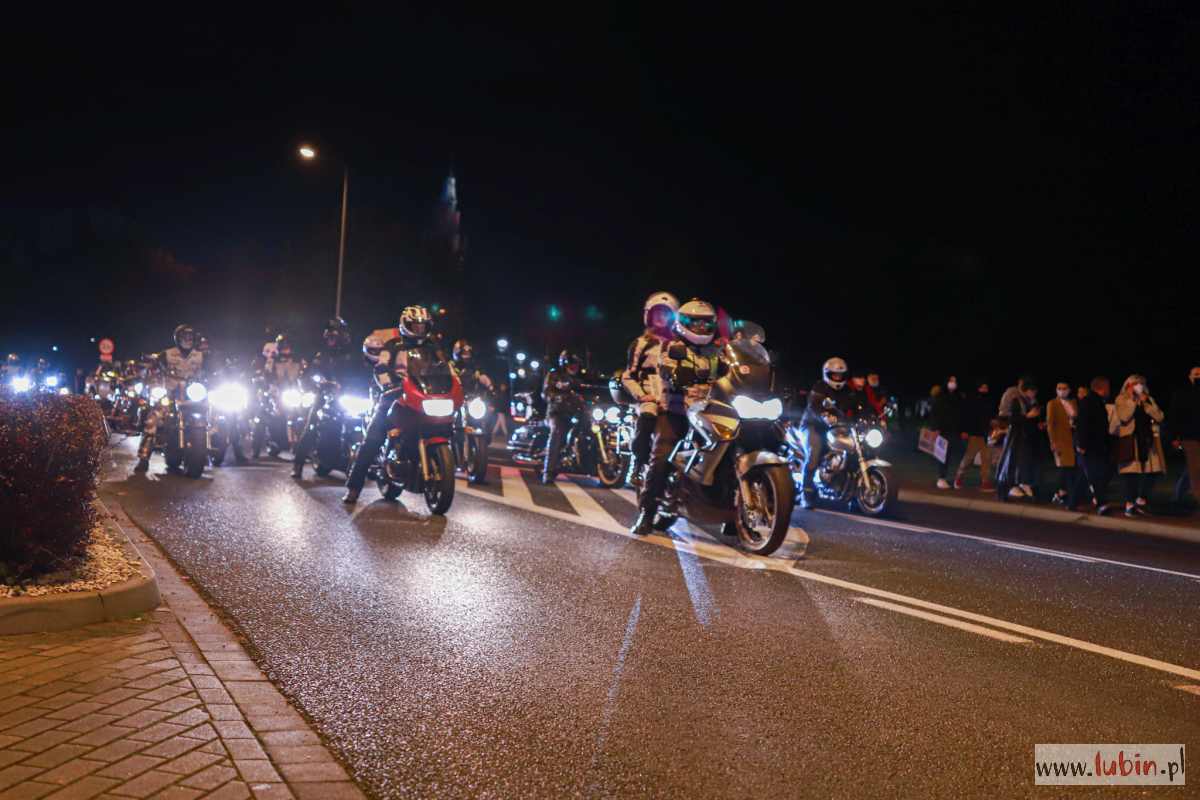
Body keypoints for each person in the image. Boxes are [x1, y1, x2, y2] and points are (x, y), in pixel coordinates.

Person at [632, 298, 723, 535]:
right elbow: (665, 367)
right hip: (677, 412)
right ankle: (646, 512)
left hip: (709, 413)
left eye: (706, 323)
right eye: (695, 322)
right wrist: (674, 372)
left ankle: (732, 513)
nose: (701, 327)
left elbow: (732, 369)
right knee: (662, 458)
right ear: (683, 323)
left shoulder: (719, 350)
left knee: (729, 450)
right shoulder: (669, 347)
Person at [343, 306, 436, 503]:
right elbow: (381, 366)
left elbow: (446, 367)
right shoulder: (393, 345)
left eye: (422, 326)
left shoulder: (432, 347)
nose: (419, 330)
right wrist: (388, 385)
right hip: (394, 396)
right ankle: (353, 488)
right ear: (405, 325)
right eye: (415, 326)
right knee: (373, 439)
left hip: (422, 396)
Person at [620, 291, 679, 486]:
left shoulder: (679, 345)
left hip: (675, 396)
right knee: (648, 415)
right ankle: (638, 465)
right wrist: (641, 395)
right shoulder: (640, 343)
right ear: (649, 315)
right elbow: (628, 375)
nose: (661, 317)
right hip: (649, 394)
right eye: (657, 312)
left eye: (666, 313)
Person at [293, 318, 362, 479]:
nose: (331, 339)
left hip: (347, 395)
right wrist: (321, 382)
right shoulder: (322, 355)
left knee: (364, 420)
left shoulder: (353, 355)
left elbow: (362, 373)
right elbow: (312, 373)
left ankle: (370, 463)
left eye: (334, 336)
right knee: (311, 426)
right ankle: (298, 464)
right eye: (329, 336)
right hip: (325, 395)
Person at [135, 324, 206, 472]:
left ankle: (221, 443)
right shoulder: (167, 354)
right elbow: (153, 368)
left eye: (190, 337)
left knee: (221, 410)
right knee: (153, 419)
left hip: (193, 395)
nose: (188, 339)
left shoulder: (201, 355)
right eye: (185, 336)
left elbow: (216, 369)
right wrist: (153, 378)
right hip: (170, 394)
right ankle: (144, 457)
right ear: (177, 338)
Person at [794, 356, 857, 509]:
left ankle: (849, 491)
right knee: (814, 453)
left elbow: (856, 407)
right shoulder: (820, 387)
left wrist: (868, 419)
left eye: (840, 375)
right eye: (834, 375)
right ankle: (806, 495)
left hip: (835, 428)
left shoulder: (848, 391)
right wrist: (823, 416)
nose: (838, 378)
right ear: (827, 374)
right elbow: (813, 405)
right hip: (812, 425)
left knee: (852, 450)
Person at [1114, 374, 1166, 516]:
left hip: (1148, 440)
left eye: (1141, 383)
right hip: (1130, 440)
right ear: (1128, 385)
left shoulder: (1148, 398)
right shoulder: (1121, 399)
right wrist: (1132, 400)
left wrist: (1147, 403)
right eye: (1136, 383)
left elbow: (1160, 416)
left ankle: (1141, 500)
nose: (1139, 386)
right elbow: (1124, 417)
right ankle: (1130, 504)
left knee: (1154, 471)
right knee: (1130, 473)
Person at [541, 349, 586, 484]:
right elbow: (545, 393)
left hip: (575, 413)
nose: (574, 367)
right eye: (572, 364)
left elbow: (588, 391)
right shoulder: (554, 375)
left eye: (576, 365)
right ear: (564, 364)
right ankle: (548, 472)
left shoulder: (579, 379)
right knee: (556, 432)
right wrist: (558, 397)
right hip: (556, 413)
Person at [1074, 376, 1115, 515]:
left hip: (1096, 445)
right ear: (1102, 388)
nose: (1109, 390)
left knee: (1086, 475)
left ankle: (1072, 502)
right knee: (1096, 475)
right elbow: (1083, 424)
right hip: (1091, 445)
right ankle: (1101, 504)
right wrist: (1082, 444)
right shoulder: (1089, 402)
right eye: (1108, 387)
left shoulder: (1096, 401)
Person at [995, 379, 1040, 500]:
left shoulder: (1029, 401)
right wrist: (1027, 416)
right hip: (1015, 437)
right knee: (1009, 464)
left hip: (1023, 437)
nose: (1034, 394)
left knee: (1019, 465)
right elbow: (1012, 419)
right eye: (1033, 392)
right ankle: (1003, 491)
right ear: (1027, 390)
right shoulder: (1016, 400)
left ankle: (1015, 486)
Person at [451, 339, 497, 443]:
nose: (466, 356)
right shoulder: (451, 366)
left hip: (472, 400)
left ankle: (485, 436)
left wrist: (491, 388)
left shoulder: (476, 367)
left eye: (468, 353)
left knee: (485, 416)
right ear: (457, 354)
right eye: (464, 353)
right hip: (456, 400)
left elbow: (484, 378)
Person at [953, 379, 994, 490]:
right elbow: (966, 416)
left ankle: (985, 481)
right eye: (982, 387)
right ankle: (959, 477)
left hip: (986, 435)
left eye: (986, 388)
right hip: (974, 434)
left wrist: (992, 427)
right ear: (978, 388)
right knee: (969, 457)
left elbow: (990, 416)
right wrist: (964, 430)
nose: (984, 390)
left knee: (986, 459)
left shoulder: (989, 401)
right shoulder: (971, 400)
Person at [1168, 366, 1200, 508]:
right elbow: (1175, 416)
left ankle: (1177, 495)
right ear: (1190, 377)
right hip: (1190, 437)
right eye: (1196, 374)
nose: (1198, 377)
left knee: (1192, 468)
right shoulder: (1182, 394)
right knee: (1195, 468)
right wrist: (1174, 436)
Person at [1046, 381, 1079, 507]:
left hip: (1073, 439)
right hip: (1061, 441)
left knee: (1069, 469)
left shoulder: (1073, 402)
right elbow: (1050, 424)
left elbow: (1077, 418)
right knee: (1066, 468)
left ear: (1069, 390)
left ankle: (1060, 493)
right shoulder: (1052, 403)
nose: (1061, 390)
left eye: (1064, 388)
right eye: (1059, 388)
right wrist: (1053, 441)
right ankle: (1068, 498)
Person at [929, 375, 963, 489]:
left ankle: (945, 477)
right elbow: (935, 413)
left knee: (949, 455)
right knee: (942, 454)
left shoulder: (958, 397)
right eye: (951, 381)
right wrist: (936, 428)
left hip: (953, 430)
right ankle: (941, 478)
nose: (953, 383)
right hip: (942, 430)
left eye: (955, 381)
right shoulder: (940, 397)